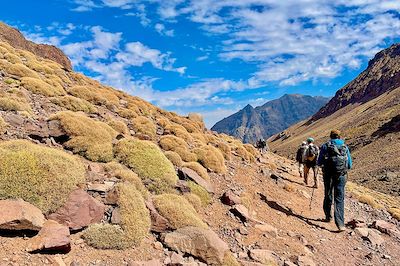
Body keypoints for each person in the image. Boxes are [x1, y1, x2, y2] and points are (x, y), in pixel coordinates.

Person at [317, 129, 352, 232]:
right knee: (339, 198)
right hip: (341, 175)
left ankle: (328, 216)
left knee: (328, 194)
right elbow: (349, 164)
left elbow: (319, 162)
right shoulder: (345, 147)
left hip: (328, 174)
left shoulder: (325, 146)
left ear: (330, 136)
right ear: (339, 136)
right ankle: (340, 224)